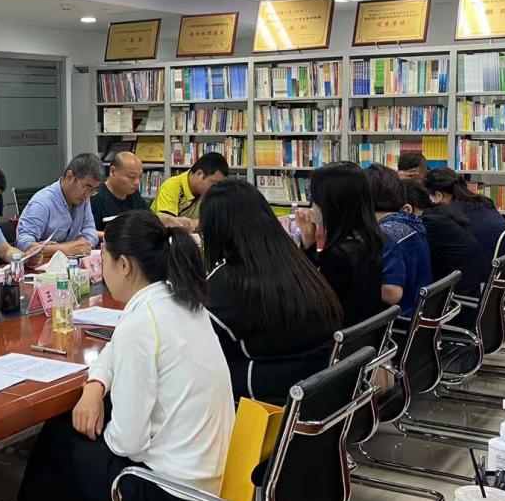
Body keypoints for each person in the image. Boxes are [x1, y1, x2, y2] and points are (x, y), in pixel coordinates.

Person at [0, 210, 235, 501]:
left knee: (60, 460)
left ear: (124, 265)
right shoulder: (178, 302)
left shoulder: (145, 320)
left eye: (104, 259)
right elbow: (114, 352)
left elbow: (127, 443)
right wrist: (95, 387)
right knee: (64, 434)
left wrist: (96, 420)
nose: (100, 267)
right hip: (213, 491)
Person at [201, 179, 342, 403]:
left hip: (268, 403)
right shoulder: (294, 260)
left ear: (214, 231)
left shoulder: (228, 280)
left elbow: (200, 341)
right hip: (320, 393)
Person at [293, 162, 385, 328]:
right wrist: (311, 240)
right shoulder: (370, 239)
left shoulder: (338, 256)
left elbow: (307, 294)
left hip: (338, 334)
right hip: (364, 333)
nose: (312, 207)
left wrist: (307, 245)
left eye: (315, 199)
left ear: (330, 204)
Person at [402, 179, 489, 298]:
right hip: (470, 289)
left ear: (407, 208)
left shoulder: (428, 223)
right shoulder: (441, 214)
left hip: (457, 297)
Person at [365, 164, 432, 318]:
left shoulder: (385, 233)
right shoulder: (410, 224)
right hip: (419, 315)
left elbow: (391, 295)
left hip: (399, 322)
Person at [14, 154, 102, 261]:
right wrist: (65, 248)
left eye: (93, 190)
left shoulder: (83, 199)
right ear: (69, 176)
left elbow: (91, 232)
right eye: (86, 187)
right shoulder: (42, 202)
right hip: (43, 265)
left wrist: (80, 245)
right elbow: (23, 244)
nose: (87, 195)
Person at [424, 167, 505, 260]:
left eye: (430, 197)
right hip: (500, 263)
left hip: (482, 263)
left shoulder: (449, 216)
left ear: (439, 195)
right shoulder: (484, 202)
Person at [149, 152, 229, 232]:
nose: (217, 188)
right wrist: (199, 223)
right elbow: (169, 225)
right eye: (214, 183)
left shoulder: (206, 192)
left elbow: (217, 220)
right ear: (199, 174)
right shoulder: (171, 186)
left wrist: (195, 224)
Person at [88, 151, 147, 233]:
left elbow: (149, 222)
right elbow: (89, 233)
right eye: (132, 177)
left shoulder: (135, 195)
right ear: (112, 172)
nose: (137, 182)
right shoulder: (95, 198)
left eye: (139, 177)